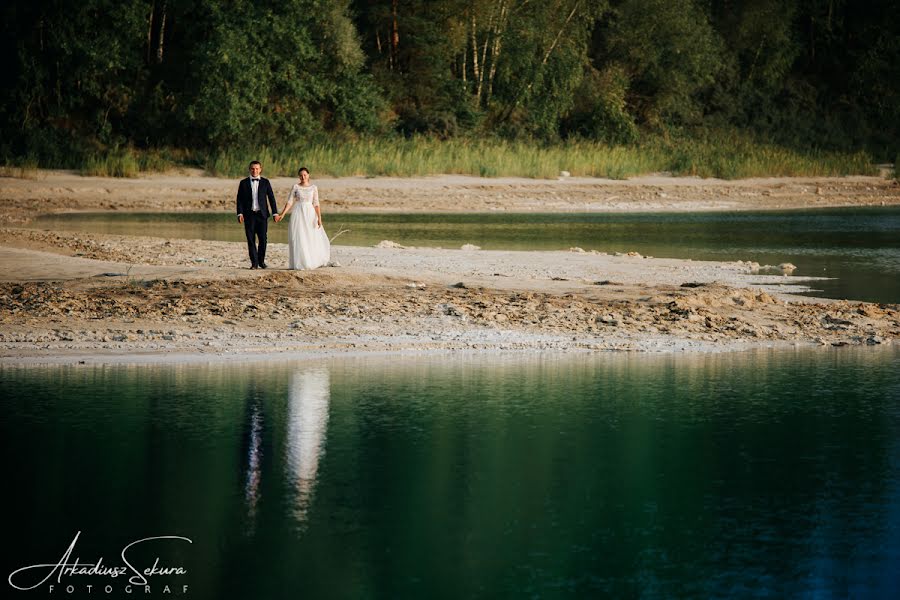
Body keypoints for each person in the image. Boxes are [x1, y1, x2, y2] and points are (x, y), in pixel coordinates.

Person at [275, 167, 330, 270]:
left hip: (310, 213)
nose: (303, 177)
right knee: (299, 236)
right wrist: (282, 214)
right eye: (301, 175)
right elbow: (290, 201)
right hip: (298, 213)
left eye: (305, 175)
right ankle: (300, 262)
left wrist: (319, 218)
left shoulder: (313, 187)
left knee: (310, 236)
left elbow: (316, 203)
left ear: (308, 175)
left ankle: (311, 260)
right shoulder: (295, 187)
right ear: (298, 176)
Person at [236, 160, 278, 269]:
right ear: (249, 169)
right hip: (249, 215)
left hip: (262, 215)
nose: (255, 171)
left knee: (263, 239)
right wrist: (239, 213)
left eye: (257, 169)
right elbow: (239, 199)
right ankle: (254, 263)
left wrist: (275, 213)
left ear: (260, 169)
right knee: (250, 239)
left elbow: (271, 198)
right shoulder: (243, 183)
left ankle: (261, 261)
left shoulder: (265, 182)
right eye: (252, 169)